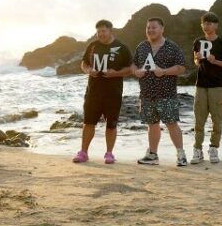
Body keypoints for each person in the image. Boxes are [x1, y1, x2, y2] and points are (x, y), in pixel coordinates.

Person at [72, 20, 132, 164]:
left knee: (111, 124)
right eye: (98, 32)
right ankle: (83, 152)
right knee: (88, 122)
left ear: (111, 31)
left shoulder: (122, 48)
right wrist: (88, 71)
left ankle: (109, 153)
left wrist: (115, 73)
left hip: (113, 93)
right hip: (93, 92)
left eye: (103, 31)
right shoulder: (92, 46)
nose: (100, 34)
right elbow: (84, 63)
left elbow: (130, 69)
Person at [131, 17, 188, 166]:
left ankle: (181, 155)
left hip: (166, 93)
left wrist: (164, 71)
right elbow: (133, 64)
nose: (150, 30)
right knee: (152, 124)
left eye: (153, 27)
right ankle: (152, 155)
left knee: (171, 123)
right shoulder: (142, 47)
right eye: (148, 27)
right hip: (146, 94)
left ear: (162, 29)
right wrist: (136, 71)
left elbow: (181, 68)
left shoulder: (172, 47)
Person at [191, 12, 222, 164]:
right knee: (199, 119)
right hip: (200, 85)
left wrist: (215, 61)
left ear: (216, 25)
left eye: (210, 23)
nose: (207, 26)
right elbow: (196, 61)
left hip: (217, 85)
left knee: (217, 119)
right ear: (202, 25)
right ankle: (197, 149)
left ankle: (214, 148)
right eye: (205, 23)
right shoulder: (198, 41)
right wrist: (198, 59)